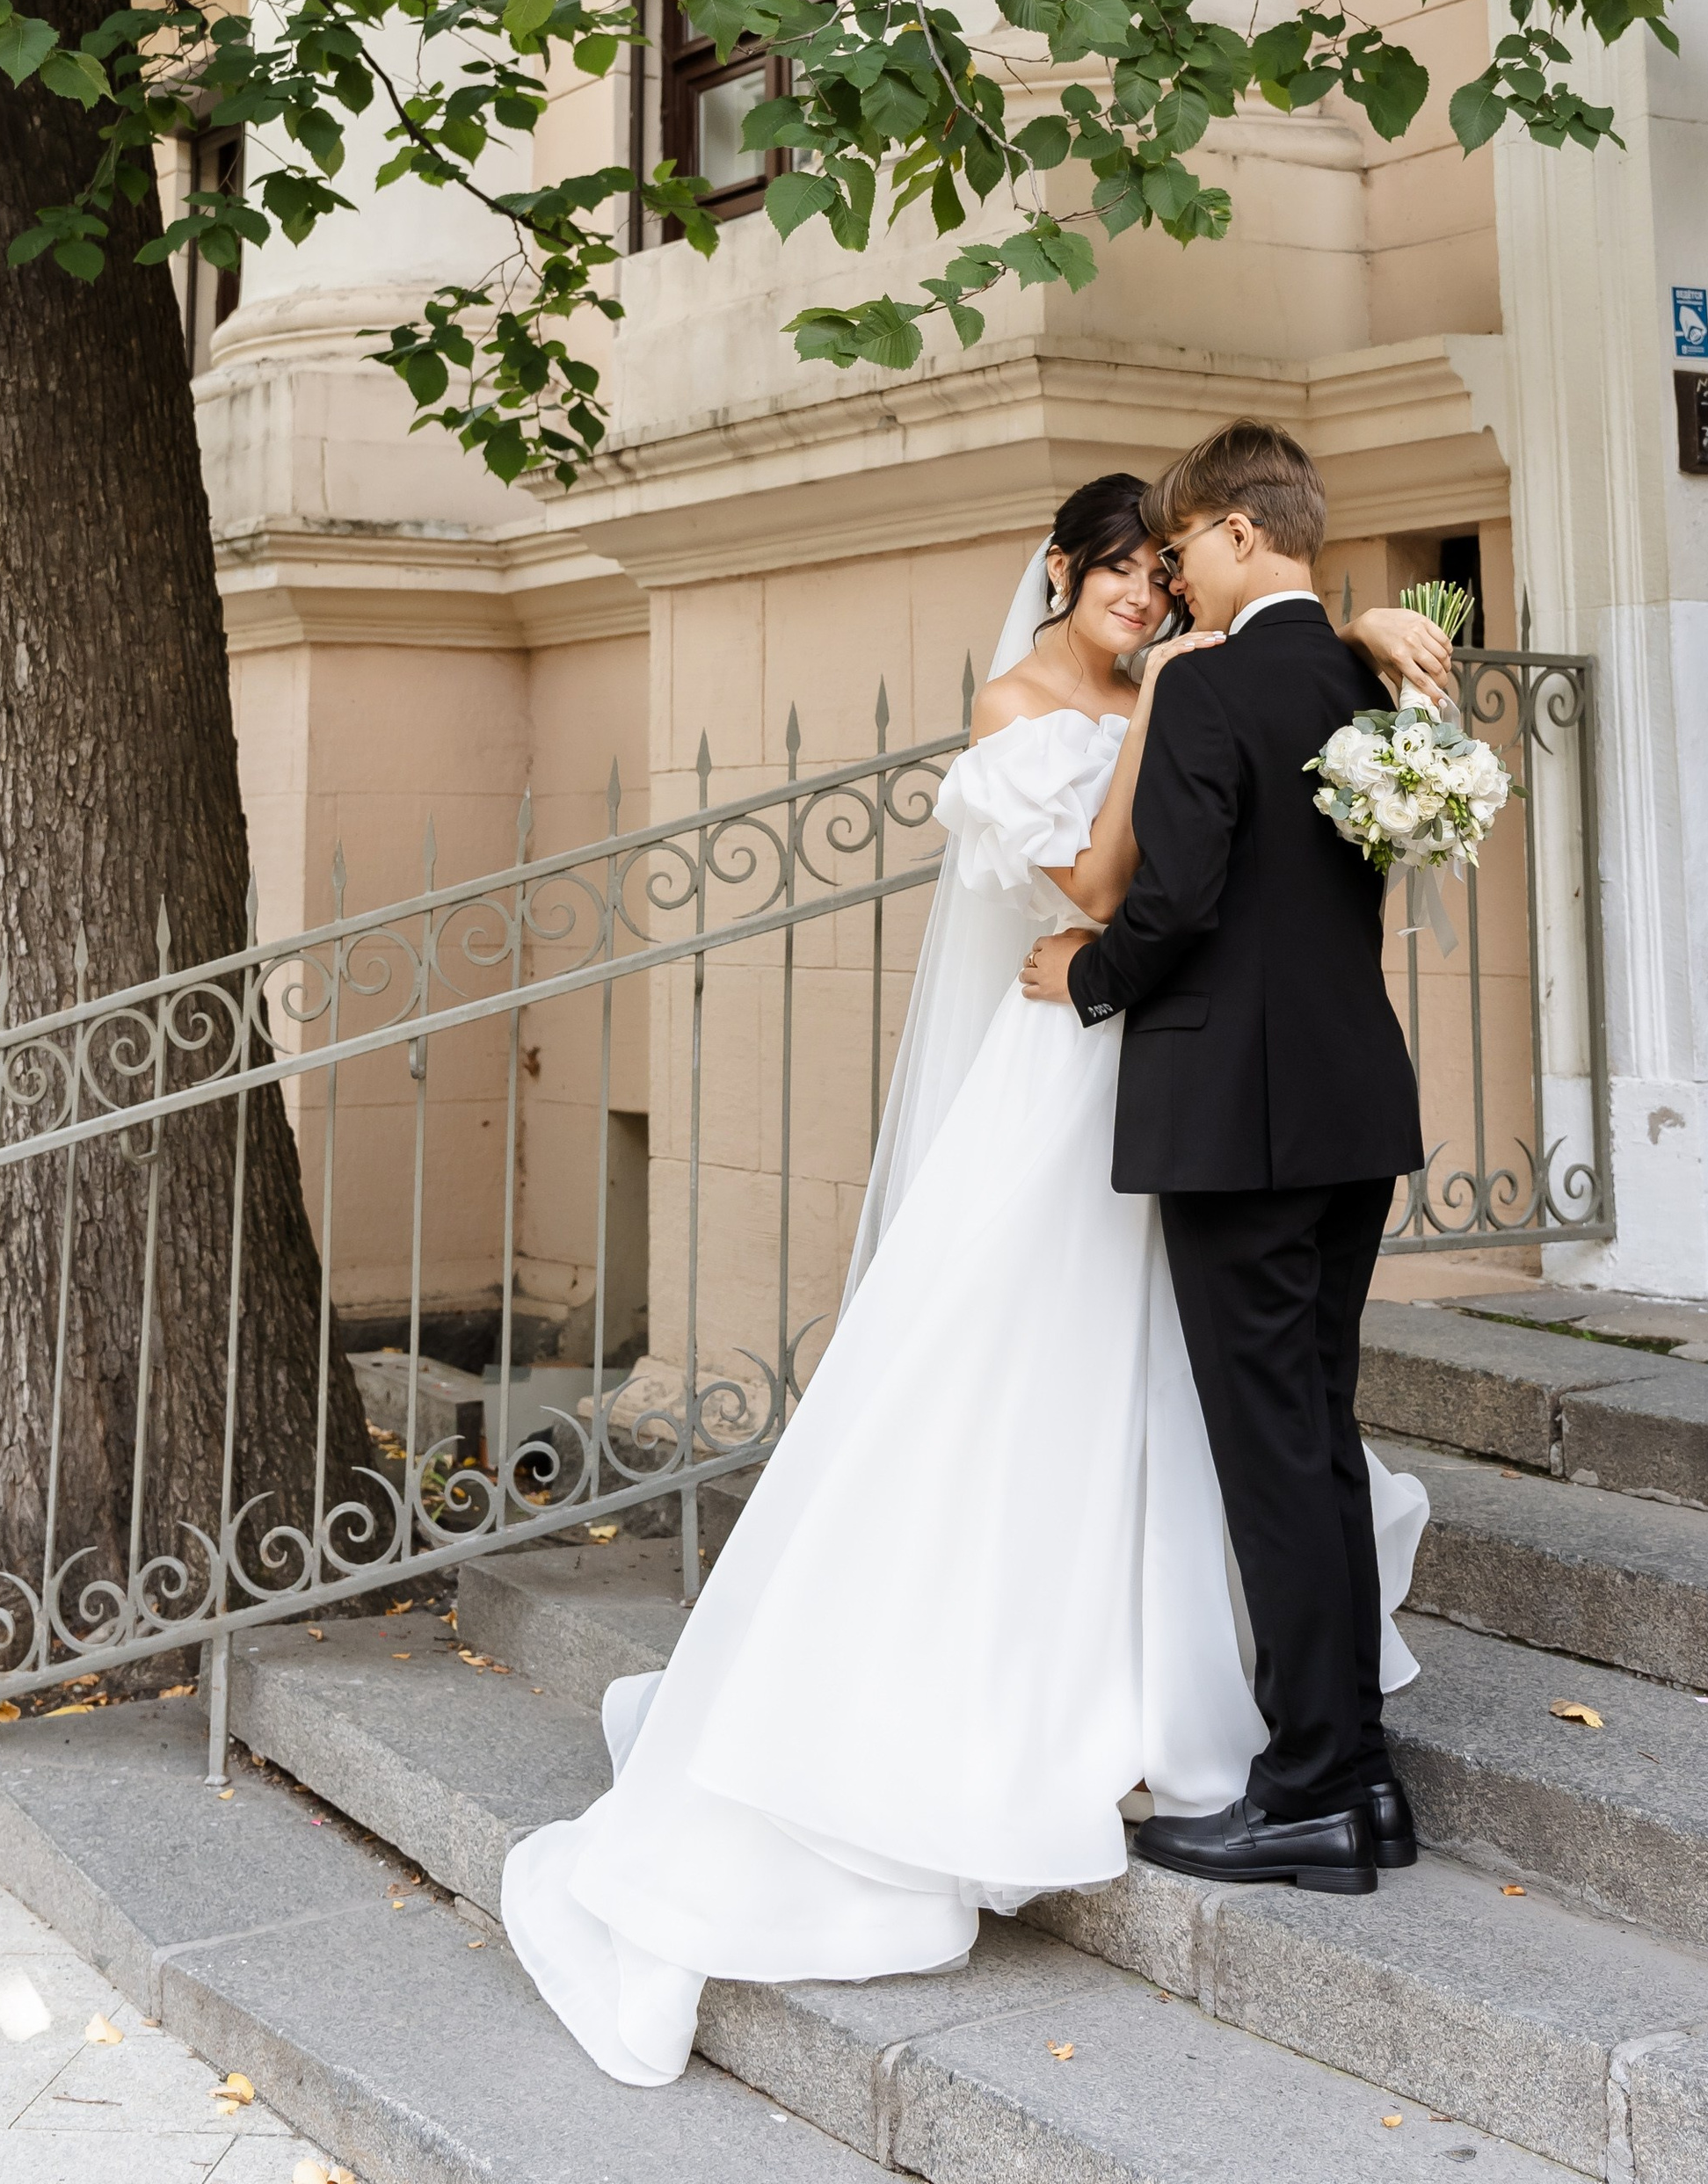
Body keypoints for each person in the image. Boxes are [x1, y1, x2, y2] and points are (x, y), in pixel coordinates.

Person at [499, 474, 1447, 2086]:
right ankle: (1266, 1751)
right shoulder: (1031, 705)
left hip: (1176, 1073)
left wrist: (1304, 639)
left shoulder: (1242, 674)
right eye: (1124, 575)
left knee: (1237, 1414)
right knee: (1067, 1385)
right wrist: (1183, 700)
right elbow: (1091, 886)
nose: (1146, 595)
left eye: (1167, 571)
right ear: (1063, 577)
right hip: (1081, 1079)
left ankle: (1291, 1752)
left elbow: (1182, 874)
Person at [1021, 422, 1431, 1893]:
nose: (1175, 577)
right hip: (1351, 1112)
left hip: (1240, 1129)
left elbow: (1178, 899)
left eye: (1183, 545)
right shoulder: (1369, 676)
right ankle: (1362, 1780)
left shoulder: (1210, 686)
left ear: (1242, 537)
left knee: (1274, 1462)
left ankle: (1312, 1786)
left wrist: (1086, 975)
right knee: (1319, 1438)